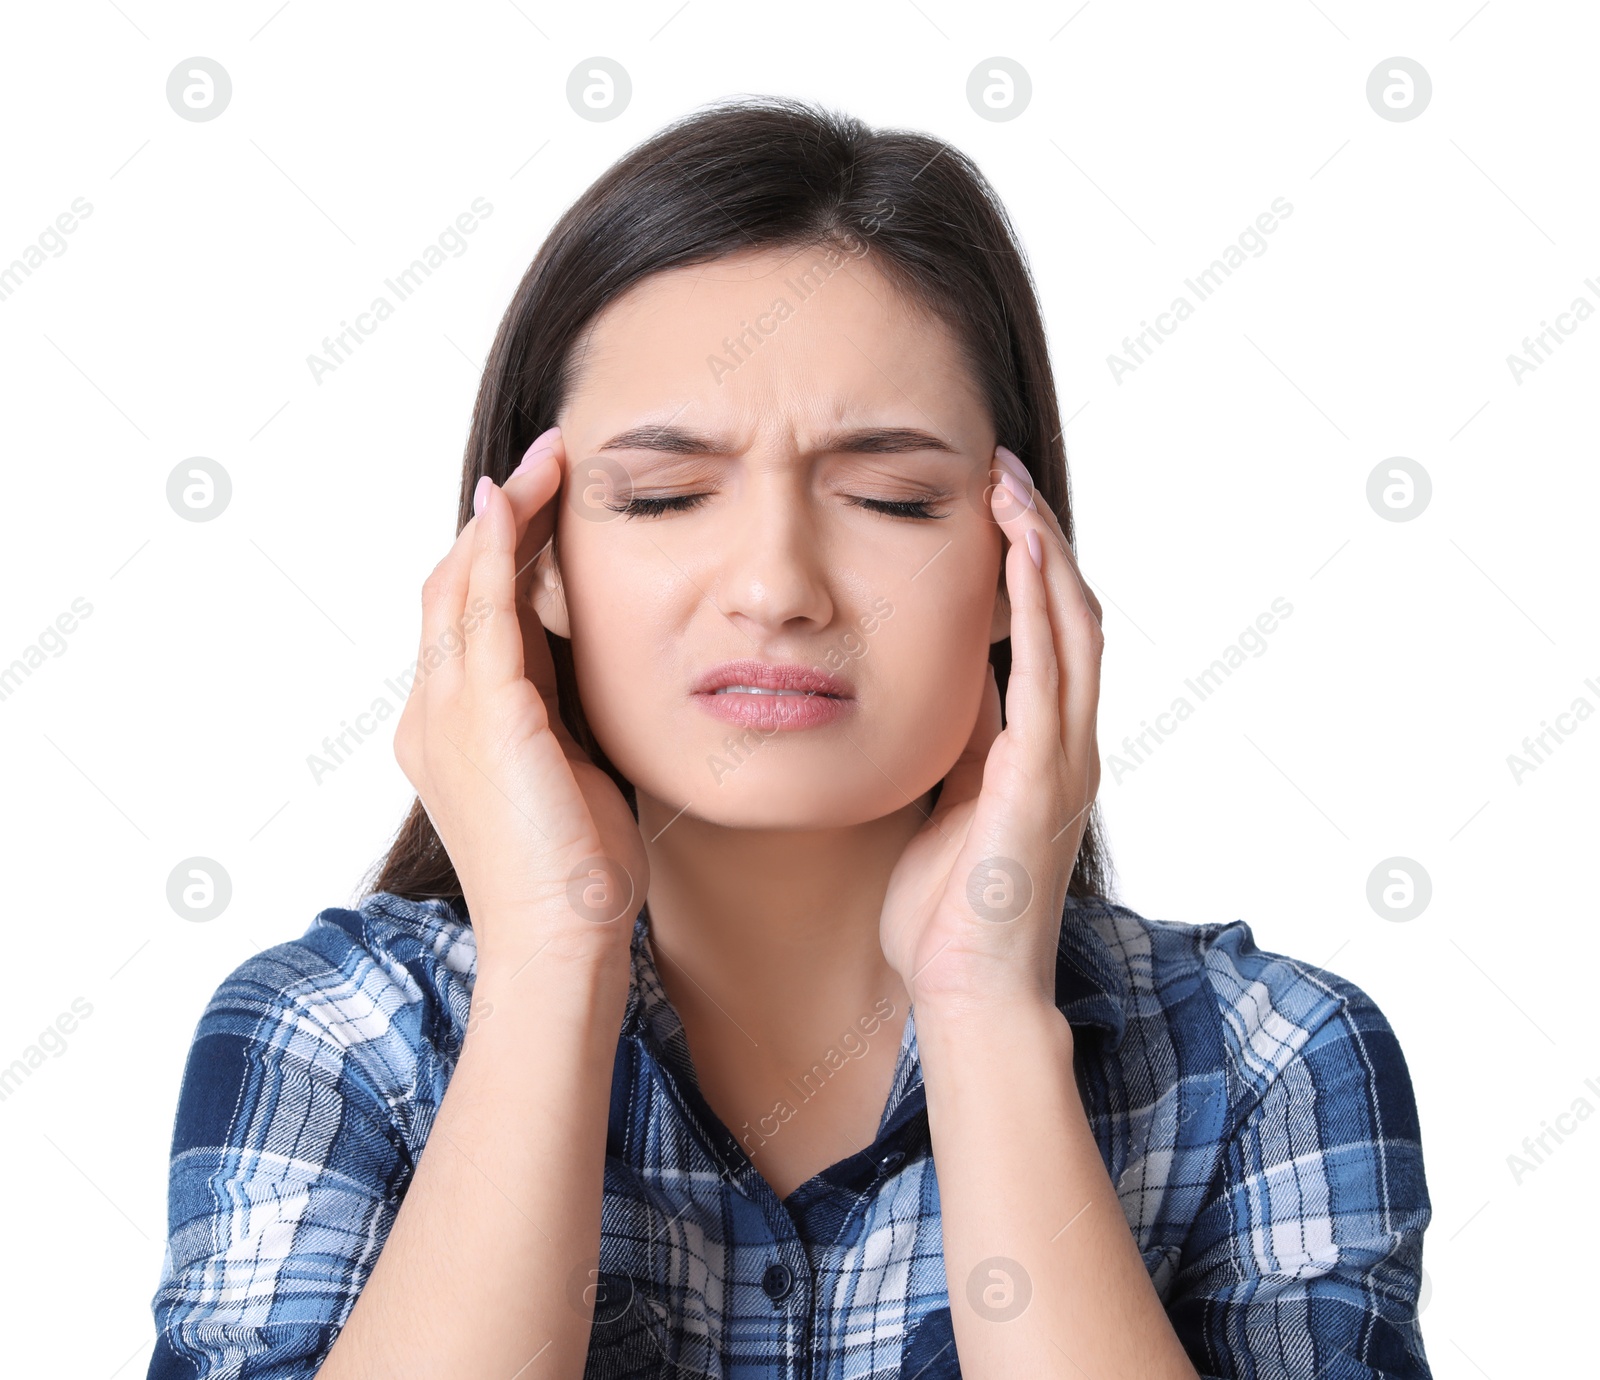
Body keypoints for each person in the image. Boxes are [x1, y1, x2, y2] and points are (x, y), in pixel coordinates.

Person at [144, 96, 1433, 1379]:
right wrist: (553, 956)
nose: (776, 586)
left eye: (891, 496)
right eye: (663, 497)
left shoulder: (1268, 1064)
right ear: (528, 564)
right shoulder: (336, 1042)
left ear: (1014, 559)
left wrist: (984, 1009)